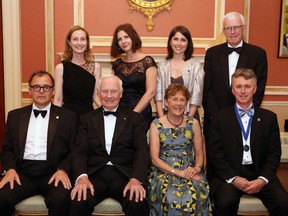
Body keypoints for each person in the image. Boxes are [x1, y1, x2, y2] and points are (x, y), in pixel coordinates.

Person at [206, 68, 288, 216]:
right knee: (225, 203)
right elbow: (215, 154)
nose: (243, 91)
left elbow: (274, 154)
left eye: (247, 86)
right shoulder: (219, 118)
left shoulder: (269, 118)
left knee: (283, 202)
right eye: (239, 86)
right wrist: (234, 178)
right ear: (232, 90)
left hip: (260, 173)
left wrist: (262, 180)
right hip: (230, 175)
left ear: (255, 89)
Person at [70, 74, 150, 216]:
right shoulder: (86, 119)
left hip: (125, 175)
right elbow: (79, 151)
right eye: (105, 91)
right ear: (98, 93)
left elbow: (141, 150)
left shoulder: (134, 119)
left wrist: (136, 179)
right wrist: (82, 177)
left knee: (137, 201)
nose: (109, 96)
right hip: (94, 175)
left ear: (121, 93)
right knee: (79, 199)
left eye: (113, 91)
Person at [0, 71, 77, 216]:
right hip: (21, 173)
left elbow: (74, 149)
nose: (41, 91)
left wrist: (63, 169)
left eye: (46, 87)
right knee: (1, 197)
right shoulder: (15, 116)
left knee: (61, 199)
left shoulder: (68, 117)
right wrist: (10, 169)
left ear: (53, 91)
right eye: (37, 87)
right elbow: (7, 148)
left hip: (53, 173)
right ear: (29, 90)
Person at [202, 11, 267, 142]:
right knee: (216, 160)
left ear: (243, 28)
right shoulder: (211, 53)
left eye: (236, 27)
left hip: (246, 120)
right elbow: (206, 89)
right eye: (228, 28)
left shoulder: (258, 54)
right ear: (223, 31)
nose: (232, 32)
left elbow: (258, 89)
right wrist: (217, 117)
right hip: (215, 121)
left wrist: (242, 115)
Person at [148, 84, 212, 215]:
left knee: (198, 189)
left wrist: (196, 169)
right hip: (164, 171)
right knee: (170, 196)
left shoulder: (193, 123)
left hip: (189, 170)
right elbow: (154, 159)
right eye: (174, 99)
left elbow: (200, 153)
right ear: (166, 102)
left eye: (182, 100)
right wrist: (177, 172)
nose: (179, 103)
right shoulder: (156, 125)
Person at [111, 23, 157, 132]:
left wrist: (133, 114)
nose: (123, 41)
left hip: (140, 113)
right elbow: (113, 90)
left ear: (133, 37)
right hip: (120, 112)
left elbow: (151, 91)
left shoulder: (147, 61)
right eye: (119, 39)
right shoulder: (117, 64)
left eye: (126, 37)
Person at [155, 25, 204, 122]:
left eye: (183, 40)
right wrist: (162, 120)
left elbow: (196, 97)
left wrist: (187, 122)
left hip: (190, 117)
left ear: (188, 43)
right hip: (166, 117)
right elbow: (158, 96)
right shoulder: (161, 65)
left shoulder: (196, 66)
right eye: (176, 39)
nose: (179, 43)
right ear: (170, 41)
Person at [54, 25, 101, 118]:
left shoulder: (96, 67)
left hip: (88, 117)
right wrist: (54, 120)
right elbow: (58, 99)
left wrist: (109, 112)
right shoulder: (61, 68)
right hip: (67, 117)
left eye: (83, 39)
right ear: (69, 42)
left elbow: (95, 97)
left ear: (87, 42)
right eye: (75, 39)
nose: (79, 43)